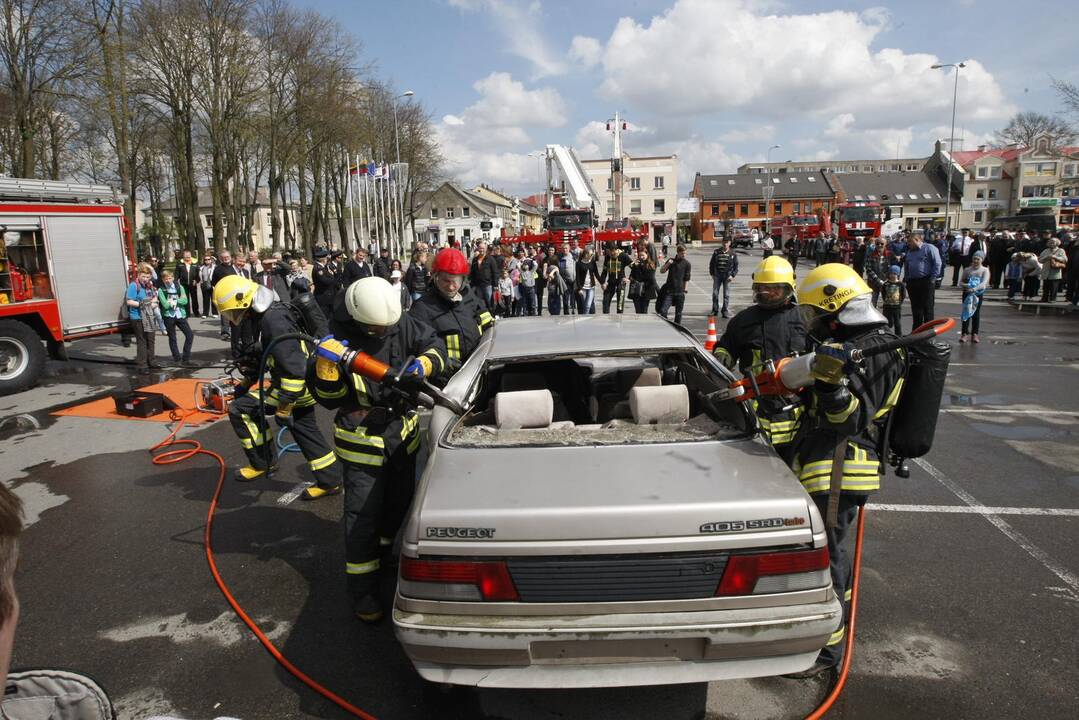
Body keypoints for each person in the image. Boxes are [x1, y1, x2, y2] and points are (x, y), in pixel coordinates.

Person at [784, 263, 906, 679]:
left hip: (842, 466)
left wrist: (832, 387)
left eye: (815, 313)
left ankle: (827, 653)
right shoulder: (854, 344)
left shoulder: (881, 349)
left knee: (827, 559)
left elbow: (851, 419)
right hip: (824, 459)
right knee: (823, 555)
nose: (812, 323)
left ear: (836, 307)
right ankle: (821, 637)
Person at [312, 277, 447, 622]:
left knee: (400, 504)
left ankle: (384, 555)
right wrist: (327, 369)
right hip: (362, 441)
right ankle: (363, 590)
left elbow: (433, 345)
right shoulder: (337, 335)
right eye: (376, 327)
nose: (384, 330)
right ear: (358, 318)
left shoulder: (398, 319)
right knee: (363, 519)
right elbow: (327, 401)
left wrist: (425, 364)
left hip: (402, 435)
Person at [213, 274, 342, 500]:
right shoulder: (266, 315)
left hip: (295, 389)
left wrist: (285, 406)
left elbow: (294, 367)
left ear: (244, 302)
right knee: (304, 430)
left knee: (240, 410)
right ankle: (330, 480)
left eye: (233, 311)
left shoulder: (273, 321)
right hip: (303, 386)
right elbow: (269, 355)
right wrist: (247, 380)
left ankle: (263, 463)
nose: (234, 317)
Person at [712, 256, 805, 463]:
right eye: (762, 288)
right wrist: (721, 357)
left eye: (773, 289)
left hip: (798, 416)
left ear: (788, 289)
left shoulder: (804, 318)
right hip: (755, 412)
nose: (766, 293)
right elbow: (726, 347)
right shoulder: (743, 320)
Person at [409, 248, 494, 376]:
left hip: (477, 370)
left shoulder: (468, 296)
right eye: (445, 280)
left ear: (463, 280)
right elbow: (421, 344)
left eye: (456, 281)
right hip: (447, 380)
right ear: (434, 276)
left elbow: (483, 313)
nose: (451, 287)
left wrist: (491, 328)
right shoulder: (422, 308)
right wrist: (438, 363)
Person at [126, 263, 161, 372]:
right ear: (139, 275)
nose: (145, 279)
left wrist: (154, 302)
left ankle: (152, 361)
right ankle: (142, 365)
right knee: (142, 340)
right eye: (143, 276)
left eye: (147, 277)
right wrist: (143, 305)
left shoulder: (149, 285)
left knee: (151, 339)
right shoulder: (134, 285)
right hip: (137, 316)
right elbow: (129, 301)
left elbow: (154, 296)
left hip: (148, 314)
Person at [901, 233, 942, 330]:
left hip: (926, 281)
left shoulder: (929, 248)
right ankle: (917, 331)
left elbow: (937, 263)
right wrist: (907, 279)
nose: (908, 244)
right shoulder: (910, 252)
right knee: (916, 309)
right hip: (912, 282)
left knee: (927, 308)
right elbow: (907, 265)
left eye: (910, 242)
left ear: (917, 239)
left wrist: (932, 279)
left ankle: (929, 333)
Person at [158, 270, 195, 367]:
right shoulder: (161, 290)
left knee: (189, 335)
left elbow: (185, 301)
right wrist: (177, 300)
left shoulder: (179, 287)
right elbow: (165, 305)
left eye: (170, 278)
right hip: (168, 316)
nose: (168, 280)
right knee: (172, 338)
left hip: (179, 314)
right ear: (162, 279)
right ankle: (177, 358)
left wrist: (174, 300)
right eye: (166, 279)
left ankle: (186, 358)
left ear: (173, 278)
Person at [657, 244, 691, 324]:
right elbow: (661, 271)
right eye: (682, 253)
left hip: (680, 292)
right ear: (678, 252)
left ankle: (677, 328)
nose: (684, 255)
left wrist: (685, 290)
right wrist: (668, 263)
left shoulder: (687, 264)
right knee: (663, 311)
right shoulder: (671, 261)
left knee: (678, 314)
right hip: (669, 291)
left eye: (685, 253)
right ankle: (668, 325)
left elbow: (687, 279)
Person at [960, 251, 989, 343]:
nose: (976, 261)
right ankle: (964, 333)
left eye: (978, 259)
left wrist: (974, 289)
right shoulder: (967, 270)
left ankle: (975, 334)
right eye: (974, 259)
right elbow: (960, 282)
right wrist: (967, 285)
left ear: (982, 260)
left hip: (978, 294)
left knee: (976, 314)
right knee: (966, 313)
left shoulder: (985, 270)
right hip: (967, 294)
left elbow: (984, 283)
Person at [708, 238, 738, 318]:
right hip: (717, 276)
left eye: (727, 242)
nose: (725, 244)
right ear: (722, 243)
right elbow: (711, 263)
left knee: (726, 295)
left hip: (727, 277)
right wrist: (712, 274)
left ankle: (725, 311)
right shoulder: (716, 252)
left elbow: (736, 266)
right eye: (724, 242)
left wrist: (732, 275)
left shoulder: (733, 253)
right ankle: (714, 310)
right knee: (715, 293)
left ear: (729, 243)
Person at [211, 250, 238, 340]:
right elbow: (214, 282)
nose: (225, 259)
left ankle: (237, 331)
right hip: (225, 294)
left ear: (230, 257)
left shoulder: (235, 267)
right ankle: (225, 332)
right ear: (220, 259)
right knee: (225, 314)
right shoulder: (218, 269)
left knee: (237, 313)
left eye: (227, 257)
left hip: (237, 294)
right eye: (223, 257)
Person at [599, 243, 632, 314]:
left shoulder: (623, 255)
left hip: (621, 282)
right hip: (610, 282)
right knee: (605, 301)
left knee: (620, 303)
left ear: (614, 250)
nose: (608, 254)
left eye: (609, 252)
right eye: (607, 252)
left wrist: (629, 278)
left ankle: (619, 317)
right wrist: (602, 283)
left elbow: (634, 267)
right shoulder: (607, 257)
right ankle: (606, 317)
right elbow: (604, 271)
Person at [469, 241, 499, 309]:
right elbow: (472, 272)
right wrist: (471, 283)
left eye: (483, 248)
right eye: (480, 248)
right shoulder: (475, 259)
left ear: (486, 249)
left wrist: (495, 285)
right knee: (480, 302)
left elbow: (495, 272)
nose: (481, 250)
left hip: (488, 284)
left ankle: (491, 314)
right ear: (478, 249)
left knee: (489, 301)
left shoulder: (491, 259)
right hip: (478, 285)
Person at [312, 248, 340, 319]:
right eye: (326, 257)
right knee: (325, 317)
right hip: (323, 297)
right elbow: (326, 281)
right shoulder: (318, 269)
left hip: (328, 297)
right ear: (323, 259)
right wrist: (333, 277)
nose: (327, 259)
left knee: (331, 316)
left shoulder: (324, 267)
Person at [1039, 238, 1067, 303]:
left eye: (1053, 242)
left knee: (1054, 287)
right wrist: (1046, 258)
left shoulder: (1061, 250)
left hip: (1055, 272)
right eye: (1050, 242)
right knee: (1045, 287)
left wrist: (1055, 257)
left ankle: (1053, 299)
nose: (1051, 243)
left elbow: (1065, 259)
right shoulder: (1045, 250)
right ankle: (1044, 298)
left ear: (1057, 243)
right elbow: (1040, 260)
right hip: (1046, 271)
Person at [880, 265, 905, 335]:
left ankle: (898, 336)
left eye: (894, 274)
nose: (892, 275)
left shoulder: (900, 284)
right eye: (891, 273)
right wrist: (885, 300)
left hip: (896, 307)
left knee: (897, 323)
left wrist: (900, 302)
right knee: (887, 322)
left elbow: (903, 294)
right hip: (887, 306)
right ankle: (886, 334)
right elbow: (883, 293)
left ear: (897, 274)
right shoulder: (886, 284)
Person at [175, 249, 200, 318]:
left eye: (189, 256)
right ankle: (187, 313)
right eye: (186, 256)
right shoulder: (179, 263)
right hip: (183, 284)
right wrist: (176, 282)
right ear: (183, 256)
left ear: (191, 256)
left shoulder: (195, 262)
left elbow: (199, 274)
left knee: (194, 299)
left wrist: (197, 280)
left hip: (193, 284)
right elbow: (176, 274)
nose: (188, 257)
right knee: (185, 299)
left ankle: (196, 312)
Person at [575, 247, 600, 314]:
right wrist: (579, 288)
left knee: (588, 305)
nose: (592, 256)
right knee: (584, 305)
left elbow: (596, 274)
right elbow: (577, 277)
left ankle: (586, 317)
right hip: (583, 287)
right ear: (586, 254)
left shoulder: (592, 262)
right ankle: (584, 317)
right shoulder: (578, 264)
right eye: (591, 255)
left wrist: (602, 282)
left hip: (591, 287)